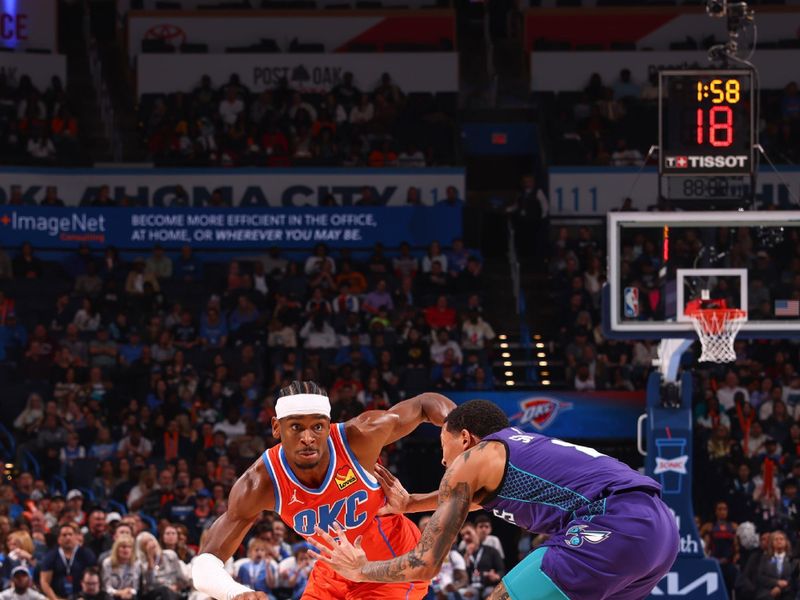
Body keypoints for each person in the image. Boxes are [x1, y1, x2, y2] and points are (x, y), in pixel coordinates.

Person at [315, 399, 679, 600]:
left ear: (466, 439)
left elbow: (424, 564)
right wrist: (410, 504)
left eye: (445, 448)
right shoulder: (520, 450)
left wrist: (359, 570)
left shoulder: (472, 462)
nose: (444, 462)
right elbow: (475, 502)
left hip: (612, 523)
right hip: (660, 535)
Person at [191, 380, 455, 600]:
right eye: (296, 427)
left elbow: (424, 404)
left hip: (392, 566)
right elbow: (205, 563)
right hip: (333, 572)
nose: (308, 438)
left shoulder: (360, 437)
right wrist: (236, 593)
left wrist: (470, 443)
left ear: (328, 426)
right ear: (276, 428)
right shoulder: (260, 483)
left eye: (317, 427)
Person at [40, 523, 97, 600]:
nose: (68, 538)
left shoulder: (87, 554)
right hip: (57, 597)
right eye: (64, 535)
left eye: (70, 534)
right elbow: (45, 582)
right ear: (59, 539)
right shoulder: (51, 556)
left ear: (76, 537)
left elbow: (94, 578)